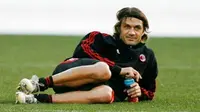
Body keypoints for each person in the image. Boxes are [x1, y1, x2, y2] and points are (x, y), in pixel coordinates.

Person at [16, 7, 158, 103]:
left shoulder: (147, 56)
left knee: (107, 94)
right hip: (67, 78)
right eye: (127, 27)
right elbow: (83, 51)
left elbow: (150, 92)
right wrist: (118, 70)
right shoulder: (101, 39)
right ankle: (39, 84)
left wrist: (139, 92)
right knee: (103, 70)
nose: (132, 32)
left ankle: (38, 99)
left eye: (137, 28)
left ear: (143, 32)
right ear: (119, 29)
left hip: (88, 91)